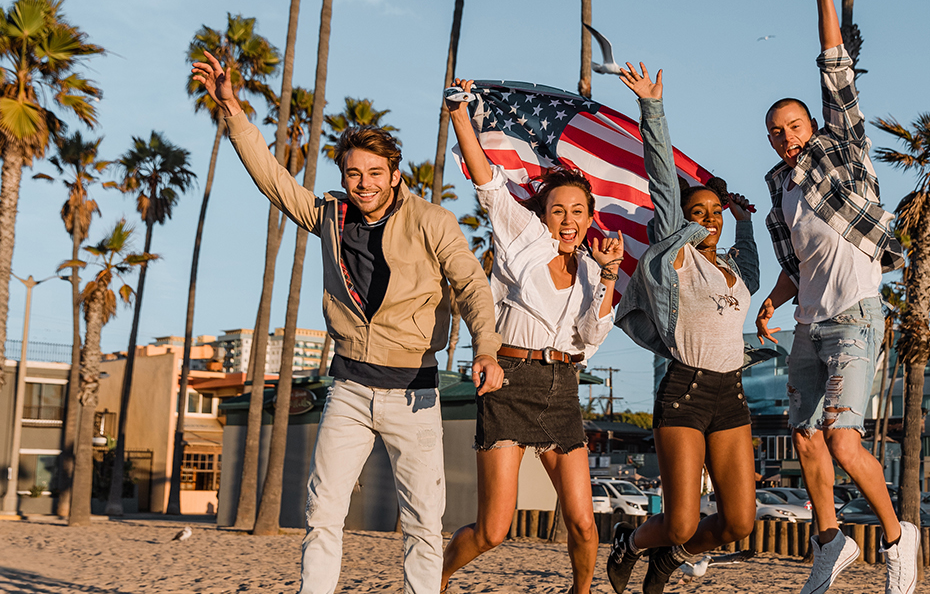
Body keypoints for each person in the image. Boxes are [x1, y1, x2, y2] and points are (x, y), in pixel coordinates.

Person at [191, 52, 504, 594]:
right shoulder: (330, 216)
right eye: (353, 173)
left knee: (424, 523)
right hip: (350, 390)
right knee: (322, 513)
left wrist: (486, 349)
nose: (363, 184)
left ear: (395, 174)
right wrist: (233, 109)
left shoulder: (432, 221)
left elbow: (473, 286)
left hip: (416, 394)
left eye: (374, 173)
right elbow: (274, 180)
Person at [752, 0, 916, 593]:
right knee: (804, 436)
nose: (786, 136)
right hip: (808, 324)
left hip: (855, 318)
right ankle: (832, 542)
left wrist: (823, 0)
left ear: (812, 127)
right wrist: (772, 301)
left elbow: (834, 69)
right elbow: (798, 266)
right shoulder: (780, 193)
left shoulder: (841, 152)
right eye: (776, 132)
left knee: (845, 442)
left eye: (794, 126)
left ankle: (899, 540)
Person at [439, 79, 625, 594]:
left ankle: (581, 592)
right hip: (509, 383)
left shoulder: (593, 269)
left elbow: (590, 339)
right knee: (494, 529)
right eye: (559, 210)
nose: (568, 220)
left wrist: (608, 278)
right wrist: (459, 114)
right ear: (544, 214)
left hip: (562, 389)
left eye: (578, 212)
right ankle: (434, 577)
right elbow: (488, 183)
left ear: (590, 219)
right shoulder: (522, 237)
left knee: (585, 525)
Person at [605, 62, 761, 594]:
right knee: (681, 521)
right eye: (701, 211)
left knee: (740, 522)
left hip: (730, 394)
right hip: (685, 391)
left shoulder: (732, 270)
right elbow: (663, 181)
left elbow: (754, 276)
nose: (708, 218)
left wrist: (742, 219)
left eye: (713, 211)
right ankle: (630, 544)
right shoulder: (676, 258)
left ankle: (672, 560)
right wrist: (653, 108)